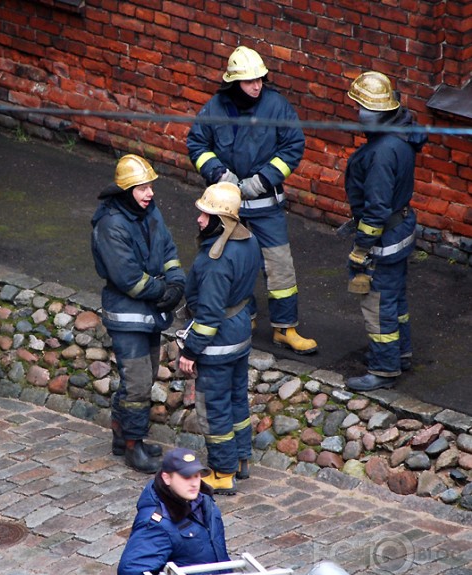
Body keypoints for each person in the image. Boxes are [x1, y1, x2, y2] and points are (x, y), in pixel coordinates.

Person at [186, 45, 317, 355]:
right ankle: (246, 317)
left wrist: (264, 179)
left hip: (265, 207)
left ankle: (285, 329)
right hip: (225, 208)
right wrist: (219, 173)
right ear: (234, 83)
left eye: (260, 79)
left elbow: (292, 147)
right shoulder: (215, 108)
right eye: (249, 81)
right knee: (234, 265)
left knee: (280, 267)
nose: (257, 86)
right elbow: (197, 144)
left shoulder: (277, 107)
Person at [91, 154, 186, 473]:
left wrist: (176, 282)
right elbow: (128, 277)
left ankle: (121, 434)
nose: (150, 193)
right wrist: (164, 293)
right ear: (126, 189)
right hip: (129, 316)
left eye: (150, 186)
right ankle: (134, 445)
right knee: (137, 383)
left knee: (142, 378)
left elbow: (169, 250)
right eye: (142, 187)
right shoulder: (111, 224)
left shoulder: (150, 212)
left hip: (151, 314)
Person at [343, 71, 427, 392]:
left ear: (377, 114)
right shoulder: (402, 136)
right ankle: (400, 353)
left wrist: (361, 248)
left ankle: (383, 368)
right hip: (399, 231)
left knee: (377, 305)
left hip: (382, 240)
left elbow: (376, 208)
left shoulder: (380, 154)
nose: (358, 114)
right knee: (395, 300)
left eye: (362, 108)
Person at [177, 182, 261, 494]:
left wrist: (191, 351)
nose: (199, 218)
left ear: (222, 220)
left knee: (214, 409)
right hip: (239, 334)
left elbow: (209, 315)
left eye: (206, 213)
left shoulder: (216, 259)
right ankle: (240, 459)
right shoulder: (248, 240)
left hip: (218, 343)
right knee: (237, 399)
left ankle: (223, 472)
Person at [117, 447, 229, 575]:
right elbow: (130, 573)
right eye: (186, 477)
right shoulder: (158, 523)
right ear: (167, 478)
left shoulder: (204, 500)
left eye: (197, 475)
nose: (194, 483)